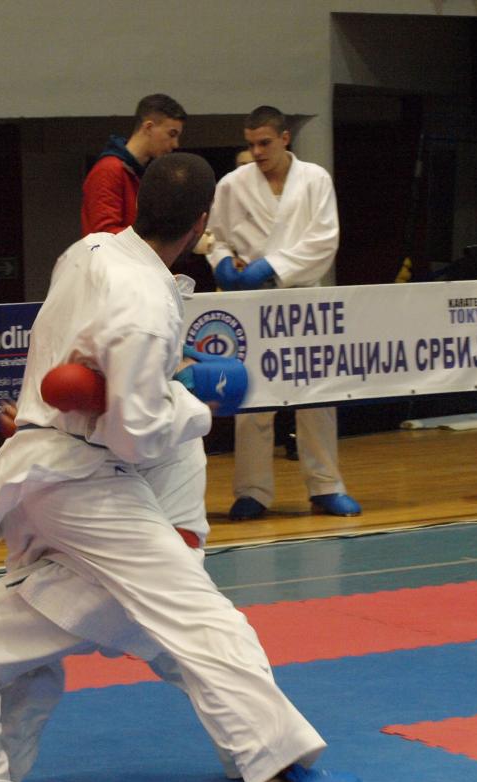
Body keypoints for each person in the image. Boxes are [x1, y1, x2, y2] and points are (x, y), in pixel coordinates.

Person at [0, 153, 359, 782]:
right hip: (84, 484)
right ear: (202, 223)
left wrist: (98, 395)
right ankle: (279, 769)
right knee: (195, 615)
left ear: (137, 202)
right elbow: (136, 435)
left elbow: (84, 368)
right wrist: (195, 402)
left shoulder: (86, 254)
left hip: (35, 478)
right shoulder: (147, 306)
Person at [206, 105, 360, 520]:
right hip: (252, 304)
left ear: (284, 138)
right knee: (253, 397)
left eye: (265, 143)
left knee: (316, 396)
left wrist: (272, 266)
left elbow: (325, 240)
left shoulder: (315, 179)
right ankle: (252, 491)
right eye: (251, 144)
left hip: (303, 299)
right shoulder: (232, 184)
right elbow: (216, 237)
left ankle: (326, 486)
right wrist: (222, 262)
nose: (257, 152)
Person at [80, 93, 186, 236]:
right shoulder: (108, 170)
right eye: (172, 134)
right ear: (148, 127)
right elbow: (105, 236)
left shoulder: (141, 172)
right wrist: (160, 240)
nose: (175, 144)